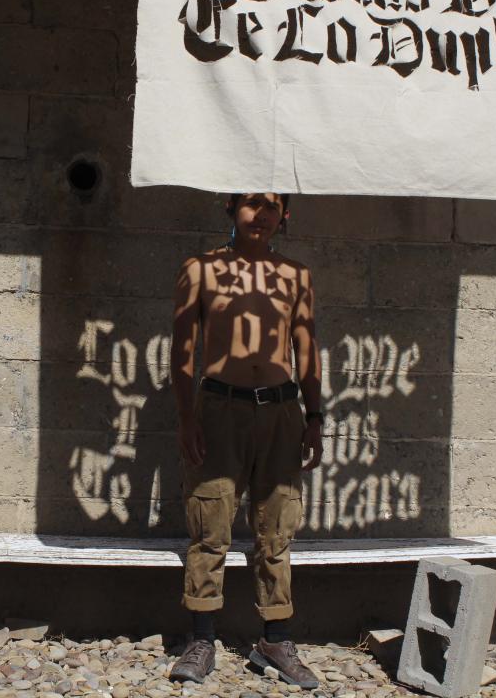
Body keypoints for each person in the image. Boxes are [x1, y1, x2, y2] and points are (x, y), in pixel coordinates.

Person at [168, 193, 324, 690]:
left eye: (272, 207)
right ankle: (201, 639)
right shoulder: (201, 270)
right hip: (218, 409)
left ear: (285, 217)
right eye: (251, 204)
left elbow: (306, 348)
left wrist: (315, 414)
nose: (261, 214)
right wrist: (187, 415)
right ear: (231, 209)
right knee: (209, 523)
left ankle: (275, 639)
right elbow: (182, 349)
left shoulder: (296, 275)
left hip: (280, 412)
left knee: (277, 528)